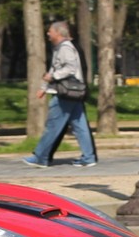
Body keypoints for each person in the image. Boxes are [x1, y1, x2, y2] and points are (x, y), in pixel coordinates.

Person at [22, 19, 97, 168]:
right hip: (73, 93)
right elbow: (55, 68)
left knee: (53, 125)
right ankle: (89, 157)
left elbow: (69, 68)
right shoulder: (61, 47)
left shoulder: (65, 48)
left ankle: (40, 157)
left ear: (58, 32)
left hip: (65, 93)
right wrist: (44, 87)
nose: (48, 33)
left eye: (50, 31)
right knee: (79, 125)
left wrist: (53, 77)